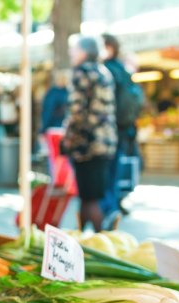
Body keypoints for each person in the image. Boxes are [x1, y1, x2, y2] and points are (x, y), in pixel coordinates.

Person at [63, 36, 117, 233]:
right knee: (89, 197)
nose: (71, 53)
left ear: (84, 52)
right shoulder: (104, 72)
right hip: (106, 143)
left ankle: (101, 239)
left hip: (87, 144)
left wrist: (66, 138)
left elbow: (76, 111)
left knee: (89, 197)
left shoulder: (81, 72)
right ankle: (84, 240)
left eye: (74, 49)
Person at [100, 33, 142, 222]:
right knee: (115, 170)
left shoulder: (105, 71)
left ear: (108, 47)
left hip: (109, 131)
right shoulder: (124, 71)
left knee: (105, 171)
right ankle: (114, 204)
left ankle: (108, 208)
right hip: (125, 130)